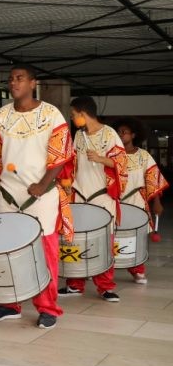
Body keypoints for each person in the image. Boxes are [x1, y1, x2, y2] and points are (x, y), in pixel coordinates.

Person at [0, 65, 74, 329]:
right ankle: (9, 304)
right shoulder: (0, 116)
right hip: (8, 194)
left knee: (44, 252)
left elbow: (61, 154)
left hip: (41, 196)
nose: (13, 82)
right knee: (7, 251)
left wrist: (43, 184)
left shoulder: (51, 114)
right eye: (10, 79)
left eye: (19, 78)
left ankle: (47, 307)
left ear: (33, 83)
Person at [59, 96, 127, 301]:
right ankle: (74, 284)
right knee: (75, 242)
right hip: (79, 195)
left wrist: (101, 159)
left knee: (104, 243)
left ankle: (105, 287)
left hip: (102, 197)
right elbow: (72, 162)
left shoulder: (109, 134)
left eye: (73, 115)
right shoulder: (79, 135)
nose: (72, 119)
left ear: (82, 113)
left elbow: (122, 164)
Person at [114, 118, 168, 284]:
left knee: (137, 237)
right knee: (112, 236)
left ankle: (138, 270)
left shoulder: (143, 156)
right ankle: (105, 269)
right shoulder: (112, 155)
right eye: (119, 131)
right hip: (114, 201)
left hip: (136, 201)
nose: (121, 134)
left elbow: (152, 179)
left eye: (124, 132)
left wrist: (157, 202)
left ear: (134, 134)